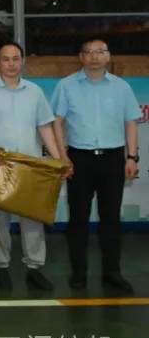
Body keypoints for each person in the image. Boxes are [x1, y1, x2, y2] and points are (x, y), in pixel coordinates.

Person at [0, 42, 68, 292]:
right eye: (6, 59)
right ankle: (2, 267)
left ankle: (34, 268)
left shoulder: (34, 92)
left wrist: (59, 159)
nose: (11, 64)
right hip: (0, 166)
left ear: (23, 61)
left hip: (30, 167)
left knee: (32, 219)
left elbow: (44, 127)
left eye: (16, 59)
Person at [50, 39, 140, 292]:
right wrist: (62, 156)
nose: (94, 56)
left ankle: (112, 272)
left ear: (108, 56)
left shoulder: (121, 87)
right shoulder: (66, 85)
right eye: (89, 52)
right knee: (78, 219)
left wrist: (131, 157)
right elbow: (57, 122)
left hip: (113, 159)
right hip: (79, 159)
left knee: (111, 219)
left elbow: (131, 123)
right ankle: (78, 273)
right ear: (81, 57)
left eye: (100, 52)